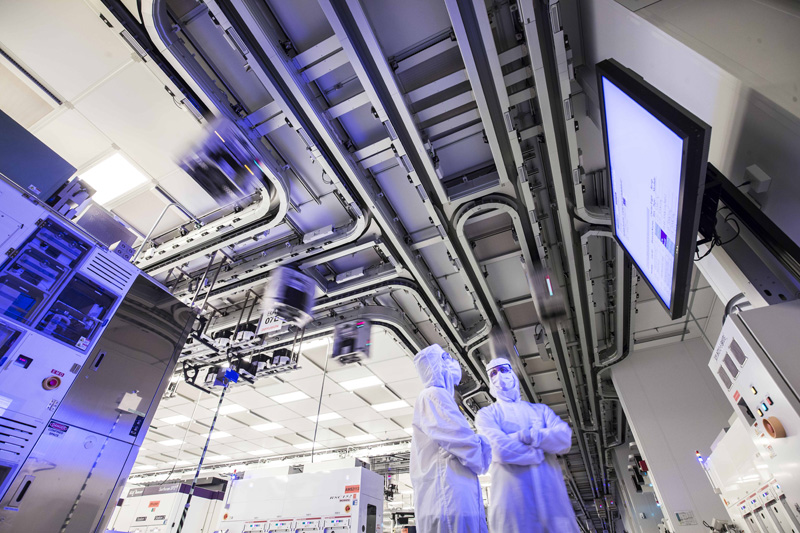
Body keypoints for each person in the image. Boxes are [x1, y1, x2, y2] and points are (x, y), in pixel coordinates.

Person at [475, 357, 579, 533]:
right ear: (489, 381)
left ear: (513, 374)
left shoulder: (540, 410)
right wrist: (538, 452)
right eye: (493, 373)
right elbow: (500, 449)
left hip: (552, 500)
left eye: (504, 370)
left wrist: (527, 435)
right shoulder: (486, 414)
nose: (499, 375)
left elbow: (564, 439)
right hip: (515, 504)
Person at [410, 344, 492, 533]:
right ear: (438, 366)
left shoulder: (439, 398)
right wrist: (490, 439)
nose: (453, 362)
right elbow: (470, 449)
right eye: (446, 358)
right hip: (448, 499)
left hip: (450, 497)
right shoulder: (433, 396)